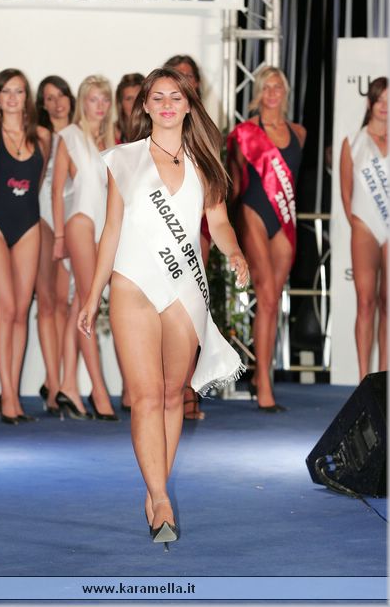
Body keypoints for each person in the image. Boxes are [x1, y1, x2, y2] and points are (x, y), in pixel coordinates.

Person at [78, 68, 248, 544]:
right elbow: (111, 230)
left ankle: (155, 490)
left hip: (183, 290)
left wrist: (235, 252)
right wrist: (92, 295)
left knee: (175, 395)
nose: (168, 104)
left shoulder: (205, 160)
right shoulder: (125, 159)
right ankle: (161, 498)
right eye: (159, 97)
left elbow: (219, 220)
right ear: (146, 106)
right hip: (132, 285)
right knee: (147, 395)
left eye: (176, 96)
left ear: (189, 104)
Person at [227, 66, 306, 412]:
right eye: (266, 87)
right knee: (268, 295)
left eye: (278, 87)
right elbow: (233, 182)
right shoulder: (244, 133)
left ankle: (262, 375)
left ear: (285, 92)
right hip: (254, 213)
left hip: (284, 219)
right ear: (258, 92)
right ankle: (264, 385)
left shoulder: (299, 133)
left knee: (272, 303)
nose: (272, 92)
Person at [0, 68, 50, 424]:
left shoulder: (43, 138)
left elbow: (37, 184)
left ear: (26, 98)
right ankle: (6, 395)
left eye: (18, 91)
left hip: (28, 225)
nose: (12, 98)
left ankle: (14, 396)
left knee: (21, 310)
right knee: (5, 308)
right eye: (5, 92)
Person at [52, 75, 118, 421]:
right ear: (83, 102)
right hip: (80, 221)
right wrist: (59, 236)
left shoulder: (112, 140)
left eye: (105, 99)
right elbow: (56, 190)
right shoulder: (70, 136)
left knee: (80, 303)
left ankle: (67, 385)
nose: (100, 105)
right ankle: (99, 390)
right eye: (94, 99)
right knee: (88, 304)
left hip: (103, 227)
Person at [164, 54, 209, 420]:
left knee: (193, 308)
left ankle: (188, 387)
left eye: (188, 76)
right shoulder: (151, 130)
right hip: (159, 232)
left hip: (198, 228)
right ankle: (164, 387)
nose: (184, 81)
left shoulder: (205, 128)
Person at [339, 76, 388, 379]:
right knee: (366, 302)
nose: (385, 106)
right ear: (370, 102)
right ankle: (363, 380)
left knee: (388, 304)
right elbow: (346, 193)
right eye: (380, 99)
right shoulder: (353, 142)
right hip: (364, 227)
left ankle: (384, 378)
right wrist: (358, 224)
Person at [35, 76, 76, 415]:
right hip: (42, 217)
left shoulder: (80, 135)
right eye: (49, 98)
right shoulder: (38, 136)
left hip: (74, 217)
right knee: (47, 302)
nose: (57, 103)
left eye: (61, 95)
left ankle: (63, 382)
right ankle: (52, 382)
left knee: (65, 304)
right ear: (42, 104)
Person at [115, 73, 144, 144]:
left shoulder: (158, 131)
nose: (135, 103)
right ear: (120, 103)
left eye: (139, 98)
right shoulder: (110, 134)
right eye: (129, 99)